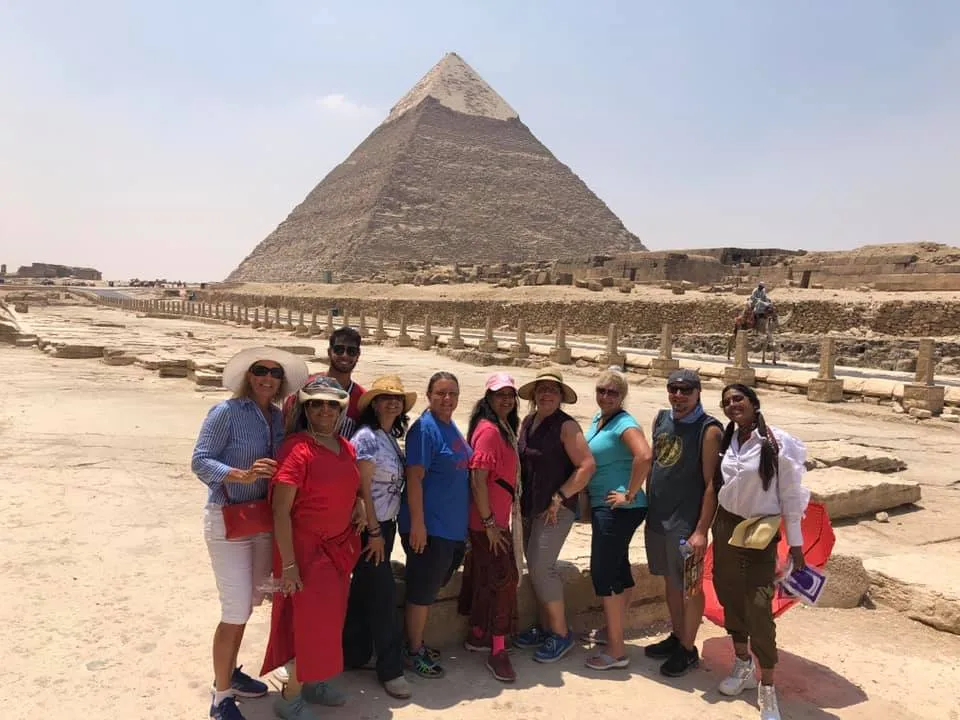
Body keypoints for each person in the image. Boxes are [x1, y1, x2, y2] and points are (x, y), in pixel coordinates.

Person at [192, 346, 308, 720]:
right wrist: (239, 474)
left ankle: (232, 673)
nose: (267, 378)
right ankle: (221, 694)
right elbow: (199, 460)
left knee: (250, 604)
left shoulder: (278, 417)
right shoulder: (226, 412)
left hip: (262, 520)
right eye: (260, 370)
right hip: (228, 520)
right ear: (248, 375)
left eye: (275, 373)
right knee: (234, 608)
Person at [260, 377, 364, 720]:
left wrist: (358, 505)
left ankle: (316, 681)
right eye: (316, 403)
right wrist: (289, 565)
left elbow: (350, 484)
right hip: (305, 553)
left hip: (338, 551)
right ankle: (290, 698)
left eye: (331, 404)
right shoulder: (297, 448)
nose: (324, 410)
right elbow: (280, 511)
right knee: (309, 625)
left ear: (340, 409)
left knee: (331, 623)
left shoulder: (345, 446)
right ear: (306, 408)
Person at [712, 384, 810, 720]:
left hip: (759, 532)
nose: (732, 405)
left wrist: (795, 545)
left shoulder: (777, 443)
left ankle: (767, 685)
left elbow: (791, 497)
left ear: (754, 403)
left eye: (738, 399)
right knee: (729, 595)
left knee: (758, 605)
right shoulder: (728, 440)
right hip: (725, 527)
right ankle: (742, 662)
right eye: (726, 402)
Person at [341, 375, 417, 700]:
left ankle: (353, 654)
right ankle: (391, 670)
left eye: (397, 398)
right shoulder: (368, 437)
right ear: (374, 403)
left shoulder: (387, 435)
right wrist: (373, 531)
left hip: (383, 527)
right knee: (384, 597)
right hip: (369, 529)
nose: (392, 402)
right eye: (385, 397)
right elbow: (362, 490)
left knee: (363, 592)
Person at [643, 368, 723, 677]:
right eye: (673, 389)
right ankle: (678, 636)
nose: (678, 395)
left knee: (689, 587)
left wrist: (701, 530)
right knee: (670, 583)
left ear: (698, 393)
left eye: (685, 390)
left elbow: (710, 485)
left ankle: (689, 650)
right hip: (659, 518)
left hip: (685, 523)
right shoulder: (661, 419)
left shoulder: (709, 430)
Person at [513, 370, 596, 663]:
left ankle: (561, 634)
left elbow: (586, 466)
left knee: (541, 567)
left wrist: (560, 496)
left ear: (561, 397)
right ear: (534, 395)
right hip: (530, 506)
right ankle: (545, 627)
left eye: (553, 390)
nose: (546, 394)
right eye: (542, 389)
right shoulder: (528, 422)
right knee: (535, 569)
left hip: (555, 510)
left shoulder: (566, 426)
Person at [397, 372, 472, 678]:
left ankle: (417, 643)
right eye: (440, 393)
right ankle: (412, 651)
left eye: (452, 393)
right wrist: (418, 524)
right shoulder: (424, 430)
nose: (447, 399)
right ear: (429, 395)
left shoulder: (449, 424)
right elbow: (414, 478)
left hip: (450, 528)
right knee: (421, 593)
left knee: (429, 590)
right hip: (429, 528)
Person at [582, 369, 653, 670]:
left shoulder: (624, 423)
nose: (606, 396)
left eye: (612, 392)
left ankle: (616, 652)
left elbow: (645, 456)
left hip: (618, 508)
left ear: (622, 396)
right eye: (601, 390)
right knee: (618, 570)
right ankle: (614, 632)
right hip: (608, 506)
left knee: (604, 573)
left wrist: (629, 493)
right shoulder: (600, 420)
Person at [458, 372, 523, 683]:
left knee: (486, 577)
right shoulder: (489, 432)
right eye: (500, 394)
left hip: (492, 520)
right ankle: (498, 650)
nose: (506, 399)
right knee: (504, 582)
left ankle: (478, 632)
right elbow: (478, 478)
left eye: (510, 393)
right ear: (488, 398)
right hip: (489, 523)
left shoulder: (502, 427)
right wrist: (490, 524)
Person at [282, 326, 365, 437]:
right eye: (339, 350)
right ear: (329, 352)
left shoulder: (362, 399)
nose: (345, 355)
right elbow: (286, 427)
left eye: (351, 351)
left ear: (358, 355)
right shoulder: (306, 387)